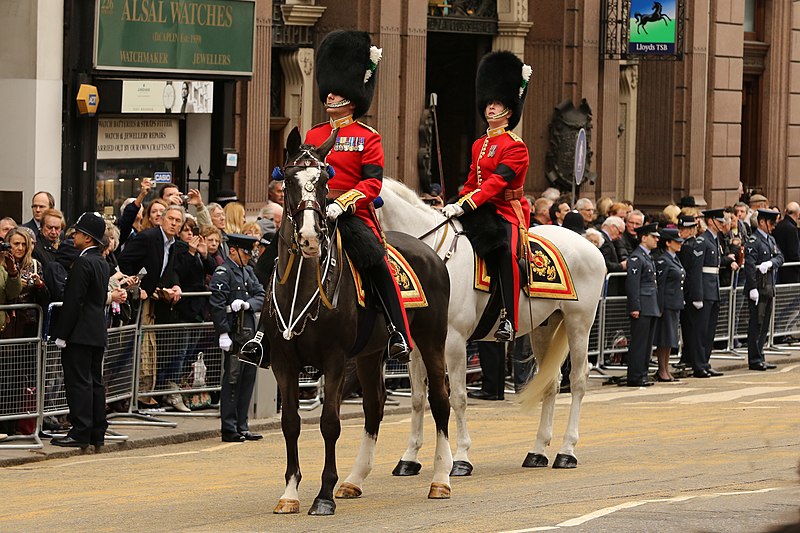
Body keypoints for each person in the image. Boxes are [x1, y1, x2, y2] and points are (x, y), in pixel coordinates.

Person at [304, 30, 412, 359]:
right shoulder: (314, 133)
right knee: (273, 260)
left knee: (377, 263)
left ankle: (399, 332)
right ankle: (264, 335)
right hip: (314, 211)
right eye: (329, 92)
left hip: (351, 215)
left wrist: (342, 204)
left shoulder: (368, 136)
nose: (330, 97)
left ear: (352, 96)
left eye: (337, 92)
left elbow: (372, 185)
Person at [441, 49, 532, 342]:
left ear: (508, 109)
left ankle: (509, 317)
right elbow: (473, 179)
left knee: (505, 253)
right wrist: (456, 203)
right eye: (489, 103)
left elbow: (495, 184)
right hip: (480, 208)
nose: (490, 108)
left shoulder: (516, 146)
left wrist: (467, 203)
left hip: (507, 210)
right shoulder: (480, 144)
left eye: (497, 103)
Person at [50, 212, 111, 448]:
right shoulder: (101, 261)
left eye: (78, 232)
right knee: (95, 382)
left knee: (79, 382)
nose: (73, 235)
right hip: (95, 330)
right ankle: (97, 431)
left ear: (87, 238)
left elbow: (73, 302)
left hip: (79, 333)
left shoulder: (83, 262)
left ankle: (80, 431)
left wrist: (62, 334)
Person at [209, 234, 265, 442]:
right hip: (233, 333)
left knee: (247, 380)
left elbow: (261, 294)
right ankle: (229, 427)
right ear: (233, 250)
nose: (249, 257)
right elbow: (216, 305)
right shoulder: (224, 273)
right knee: (232, 380)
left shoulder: (247, 272)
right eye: (245, 252)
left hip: (248, 334)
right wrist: (223, 332)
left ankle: (242, 424)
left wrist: (248, 304)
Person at [683, 208, 727, 378]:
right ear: (711, 221)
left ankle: (705, 362)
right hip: (704, 291)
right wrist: (697, 295)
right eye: (720, 221)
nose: (723, 224)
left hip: (712, 289)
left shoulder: (714, 240)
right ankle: (699, 364)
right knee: (700, 331)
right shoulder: (702, 241)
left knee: (709, 331)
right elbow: (696, 271)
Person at [744, 209, 784, 371]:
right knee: (756, 324)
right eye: (771, 223)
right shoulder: (754, 241)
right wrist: (752, 288)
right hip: (759, 287)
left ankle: (760, 355)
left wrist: (770, 263)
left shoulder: (770, 239)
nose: (773, 226)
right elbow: (749, 266)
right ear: (762, 222)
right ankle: (754, 358)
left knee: (765, 324)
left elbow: (780, 257)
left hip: (768, 286)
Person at [624, 223, 661, 387]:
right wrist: (634, 307)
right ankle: (635, 375)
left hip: (650, 304)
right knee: (639, 343)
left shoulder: (647, 256)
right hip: (642, 305)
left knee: (647, 343)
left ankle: (643, 373)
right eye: (654, 237)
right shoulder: (636, 257)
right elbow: (633, 285)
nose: (657, 240)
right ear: (644, 238)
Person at [1, 227, 49, 339]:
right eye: (16, 244)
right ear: (8, 244)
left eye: (24, 244)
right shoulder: (1, 265)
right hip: (6, 321)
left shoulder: (35, 265)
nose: (20, 248)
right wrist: (15, 284)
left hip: (28, 322)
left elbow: (45, 298)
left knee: (27, 355)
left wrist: (39, 285)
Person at [653, 228, 685, 382]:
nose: (680, 244)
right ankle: (662, 369)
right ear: (668, 243)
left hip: (675, 302)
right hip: (666, 303)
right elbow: (661, 284)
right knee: (664, 338)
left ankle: (666, 368)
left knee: (671, 338)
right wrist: (659, 306)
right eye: (676, 242)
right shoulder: (663, 260)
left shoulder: (674, 258)